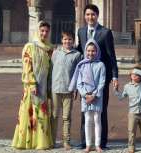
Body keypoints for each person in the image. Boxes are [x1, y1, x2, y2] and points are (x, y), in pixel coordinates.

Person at [77, 4, 119, 149]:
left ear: (97, 15)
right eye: (87, 14)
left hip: (102, 77)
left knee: (101, 110)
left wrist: (114, 76)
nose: (90, 17)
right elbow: (79, 51)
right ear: (84, 16)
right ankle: (85, 142)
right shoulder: (81, 31)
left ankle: (101, 142)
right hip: (86, 78)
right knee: (85, 111)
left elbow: (111, 55)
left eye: (93, 14)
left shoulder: (105, 32)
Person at [12, 21, 54, 150]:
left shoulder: (49, 48)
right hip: (32, 87)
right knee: (30, 112)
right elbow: (27, 66)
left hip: (44, 86)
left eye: (46, 31)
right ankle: (27, 142)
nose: (44, 33)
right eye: (42, 31)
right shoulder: (30, 46)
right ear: (37, 31)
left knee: (41, 113)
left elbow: (51, 68)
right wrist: (31, 83)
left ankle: (40, 142)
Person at [69, 39, 106, 153]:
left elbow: (102, 82)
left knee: (97, 120)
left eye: (93, 51)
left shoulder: (100, 65)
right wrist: (85, 95)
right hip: (85, 97)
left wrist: (94, 95)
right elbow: (79, 83)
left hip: (97, 97)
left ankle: (98, 144)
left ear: (97, 51)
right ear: (85, 51)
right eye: (89, 51)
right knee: (88, 120)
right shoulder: (82, 65)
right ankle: (89, 145)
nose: (91, 53)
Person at [114, 66, 141, 153]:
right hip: (132, 113)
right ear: (130, 75)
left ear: (140, 77)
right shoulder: (127, 86)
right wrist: (116, 90)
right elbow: (121, 97)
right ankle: (131, 147)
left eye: (137, 75)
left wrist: (135, 70)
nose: (134, 75)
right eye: (133, 74)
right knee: (131, 131)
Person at [51, 30, 81, 150]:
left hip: (68, 89)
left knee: (66, 117)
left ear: (73, 41)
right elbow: (52, 67)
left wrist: (75, 89)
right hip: (55, 89)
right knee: (54, 116)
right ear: (61, 40)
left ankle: (66, 141)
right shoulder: (56, 52)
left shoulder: (77, 55)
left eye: (69, 39)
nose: (67, 41)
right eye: (65, 39)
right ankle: (52, 140)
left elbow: (77, 73)